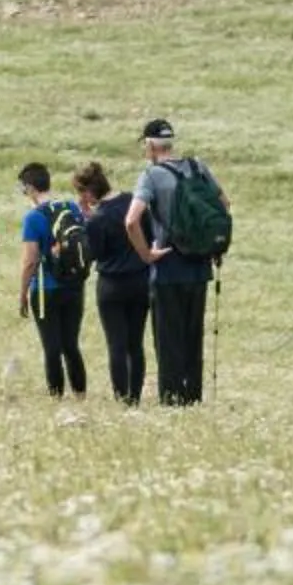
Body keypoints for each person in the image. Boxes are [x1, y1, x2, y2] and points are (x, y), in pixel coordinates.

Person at [123, 118, 225, 406]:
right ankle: (193, 397)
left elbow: (131, 221)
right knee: (193, 338)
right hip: (199, 268)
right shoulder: (198, 167)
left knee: (168, 339)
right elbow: (224, 205)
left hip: (168, 267)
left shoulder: (152, 175)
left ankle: (171, 399)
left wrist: (146, 254)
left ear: (150, 145)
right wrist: (212, 246)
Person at [15, 163, 90, 398]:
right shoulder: (71, 208)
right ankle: (80, 393)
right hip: (74, 286)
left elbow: (30, 260)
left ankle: (56, 396)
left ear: (30, 188)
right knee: (71, 344)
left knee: (51, 347)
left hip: (46, 288)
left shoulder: (33, 218)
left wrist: (23, 293)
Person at [75, 161, 147, 403]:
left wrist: (86, 220)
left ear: (88, 192)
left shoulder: (98, 218)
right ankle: (135, 395)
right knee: (135, 343)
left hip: (112, 284)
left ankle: (121, 395)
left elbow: (93, 253)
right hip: (141, 278)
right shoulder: (132, 201)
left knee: (116, 344)